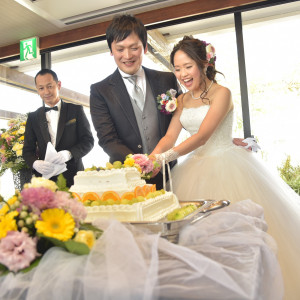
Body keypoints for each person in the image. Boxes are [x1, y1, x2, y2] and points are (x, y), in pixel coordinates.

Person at [150, 36, 300, 299]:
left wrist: (164, 159)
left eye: (188, 66)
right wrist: (150, 157)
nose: (182, 74)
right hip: (192, 167)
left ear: (203, 63)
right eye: (177, 68)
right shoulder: (182, 101)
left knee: (237, 241)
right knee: (197, 242)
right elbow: (168, 138)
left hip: (228, 165)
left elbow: (202, 137)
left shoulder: (223, 93)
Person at [90, 14, 247, 189]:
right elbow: (170, 135)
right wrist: (146, 161)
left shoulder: (167, 80)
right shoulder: (99, 91)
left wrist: (222, 138)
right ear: (111, 50)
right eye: (120, 49)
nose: (127, 55)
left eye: (134, 47)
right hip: (128, 177)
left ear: (145, 47)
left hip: (171, 173)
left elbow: (201, 132)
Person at [23, 69, 94, 187]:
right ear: (37, 90)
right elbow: (27, 151)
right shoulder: (33, 117)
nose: (46, 92)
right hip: (46, 180)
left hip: (74, 177)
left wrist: (69, 154)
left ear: (59, 85)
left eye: (49, 86)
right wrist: (35, 163)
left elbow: (88, 141)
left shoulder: (76, 110)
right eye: (41, 88)